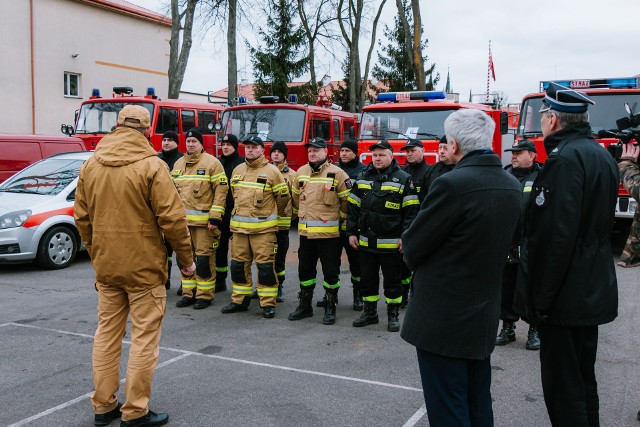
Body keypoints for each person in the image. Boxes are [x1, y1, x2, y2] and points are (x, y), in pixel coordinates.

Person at [74, 105, 196, 427]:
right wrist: (187, 262)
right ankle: (135, 411)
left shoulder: (91, 165)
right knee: (144, 340)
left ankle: (103, 406)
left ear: (115, 127)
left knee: (107, 336)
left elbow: (82, 219)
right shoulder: (153, 166)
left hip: (107, 268)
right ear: (146, 130)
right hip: (144, 270)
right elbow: (172, 219)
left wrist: (96, 253)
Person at [401, 109, 521, 427]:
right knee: (477, 401)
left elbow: (413, 246)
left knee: (448, 408)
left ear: (453, 145)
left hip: (443, 317)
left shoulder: (452, 184)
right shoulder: (510, 184)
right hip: (482, 313)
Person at [524, 82, 618, 426]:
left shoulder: (565, 160)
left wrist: (540, 302)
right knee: (582, 381)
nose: (543, 120)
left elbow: (555, 239)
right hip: (590, 286)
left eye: (545, 114)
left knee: (564, 390)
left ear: (553, 120)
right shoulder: (597, 154)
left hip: (566, 294)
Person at [346, 140, 419, 332]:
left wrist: (405, 237)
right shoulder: (362, 178)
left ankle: (393, 315)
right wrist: (351, 232)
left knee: (392, 281)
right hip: (365, 242)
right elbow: (353, 208)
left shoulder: (404, 179)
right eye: (375, 155)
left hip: (391, 244)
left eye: (382, 155)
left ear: (391, 156)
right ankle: (370, 313)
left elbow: (411, 213)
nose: (377, 159)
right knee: (367, 280)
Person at [220, 136, 289, 318]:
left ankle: (267, 304)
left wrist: (269, 215)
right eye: (247, 147)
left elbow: (282, 198)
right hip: (239, 231)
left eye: (253, 147)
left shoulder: (272, 171)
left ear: (262, 150)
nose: (249, 150)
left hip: (263, 231)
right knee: (238, 266)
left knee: (265, 268)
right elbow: (233, 195)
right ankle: (240, 300)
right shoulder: (238, 169)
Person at [288, 137, 351, 325]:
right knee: (305, 271)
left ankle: (330, 306)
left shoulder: (338, 174)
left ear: (325, 152)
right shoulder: (301, 172)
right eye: (309, 151)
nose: (312, 153)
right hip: (306, 235)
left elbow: (347, 203)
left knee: (331, 272)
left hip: (329, 236)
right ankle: (305, 305)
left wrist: (338, 219)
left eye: (316, 150)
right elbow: (296, 198)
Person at [172, 128, 228, 310]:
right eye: (188, 142)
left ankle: (204, 295)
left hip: (205, 225)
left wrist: (215, 218)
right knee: (184, 260)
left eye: (194, 141)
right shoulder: (178, 164)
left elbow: (221, 192)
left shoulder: (213, 163)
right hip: (182, 224)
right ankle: (189, 293)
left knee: (203, 261)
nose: (190, 144)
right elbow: (171, 193)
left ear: (201, 143)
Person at [495, 139, 541, 351]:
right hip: (507, 241)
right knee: (507, 287)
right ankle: (508, 327)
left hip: (531, 241)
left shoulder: (542, 177)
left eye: (518, 152)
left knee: (533, 288)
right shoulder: (504, 176)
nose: (513, 156)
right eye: (512, 152)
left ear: (532, 155)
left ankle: (534, 329)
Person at [335, 138, 366, 311]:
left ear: (355, 153)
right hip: (333, 226)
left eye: (348, 151)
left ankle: (358, 295)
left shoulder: (363, 172)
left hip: (354, 228)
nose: (344, 154)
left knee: (356, 264)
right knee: (332, 264)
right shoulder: (333, 170)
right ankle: (330, 295)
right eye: (342, 151)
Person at [399, 138, 430, 308]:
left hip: (421, 224)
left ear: (422, 150)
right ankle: (404, 293)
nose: (409, 154)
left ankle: (418, 295)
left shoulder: (429, 172)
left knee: (419, 264)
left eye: (413, 151)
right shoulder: (403, 172)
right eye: (407, 151)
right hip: (405, 224)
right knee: (403, 263)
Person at [215, 134, 245, 293]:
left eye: (228, 145)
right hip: (221, 214)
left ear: (235, 147)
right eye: (223, 144)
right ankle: (220, 281)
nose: (225, 147)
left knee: (239, 252)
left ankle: (240, 285)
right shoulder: (218, 163)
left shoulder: (241, 164)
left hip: (236, 213)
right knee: (219, 249)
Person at [269, 141, 297, 302]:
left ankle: (278, 287)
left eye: (280, 152)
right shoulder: (265, 171)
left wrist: (290, 215)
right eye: (274, 151)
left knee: (279, 258)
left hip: (282, 225)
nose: (276, 154)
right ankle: (264, 286)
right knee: (264, 258)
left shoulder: (292, 175)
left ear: (285, 155)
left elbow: (296, 200)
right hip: (264, 224)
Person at [157, 130, 184, 291]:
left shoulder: (181, 160)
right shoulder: (157, 159)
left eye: (170, 140)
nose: (166, 143)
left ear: (176, 143)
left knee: (182, 249)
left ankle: (185, 283)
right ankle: (165, 280)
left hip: (178, 210)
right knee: (163, 251)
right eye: (164, 140)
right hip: (161, 210)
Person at [421, 135, 454, 200]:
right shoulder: (431, 170)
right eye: (440, 148)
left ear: (454, 149)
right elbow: (423, 195)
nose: (441, 151)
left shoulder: (460, 168)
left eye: (445, 148)